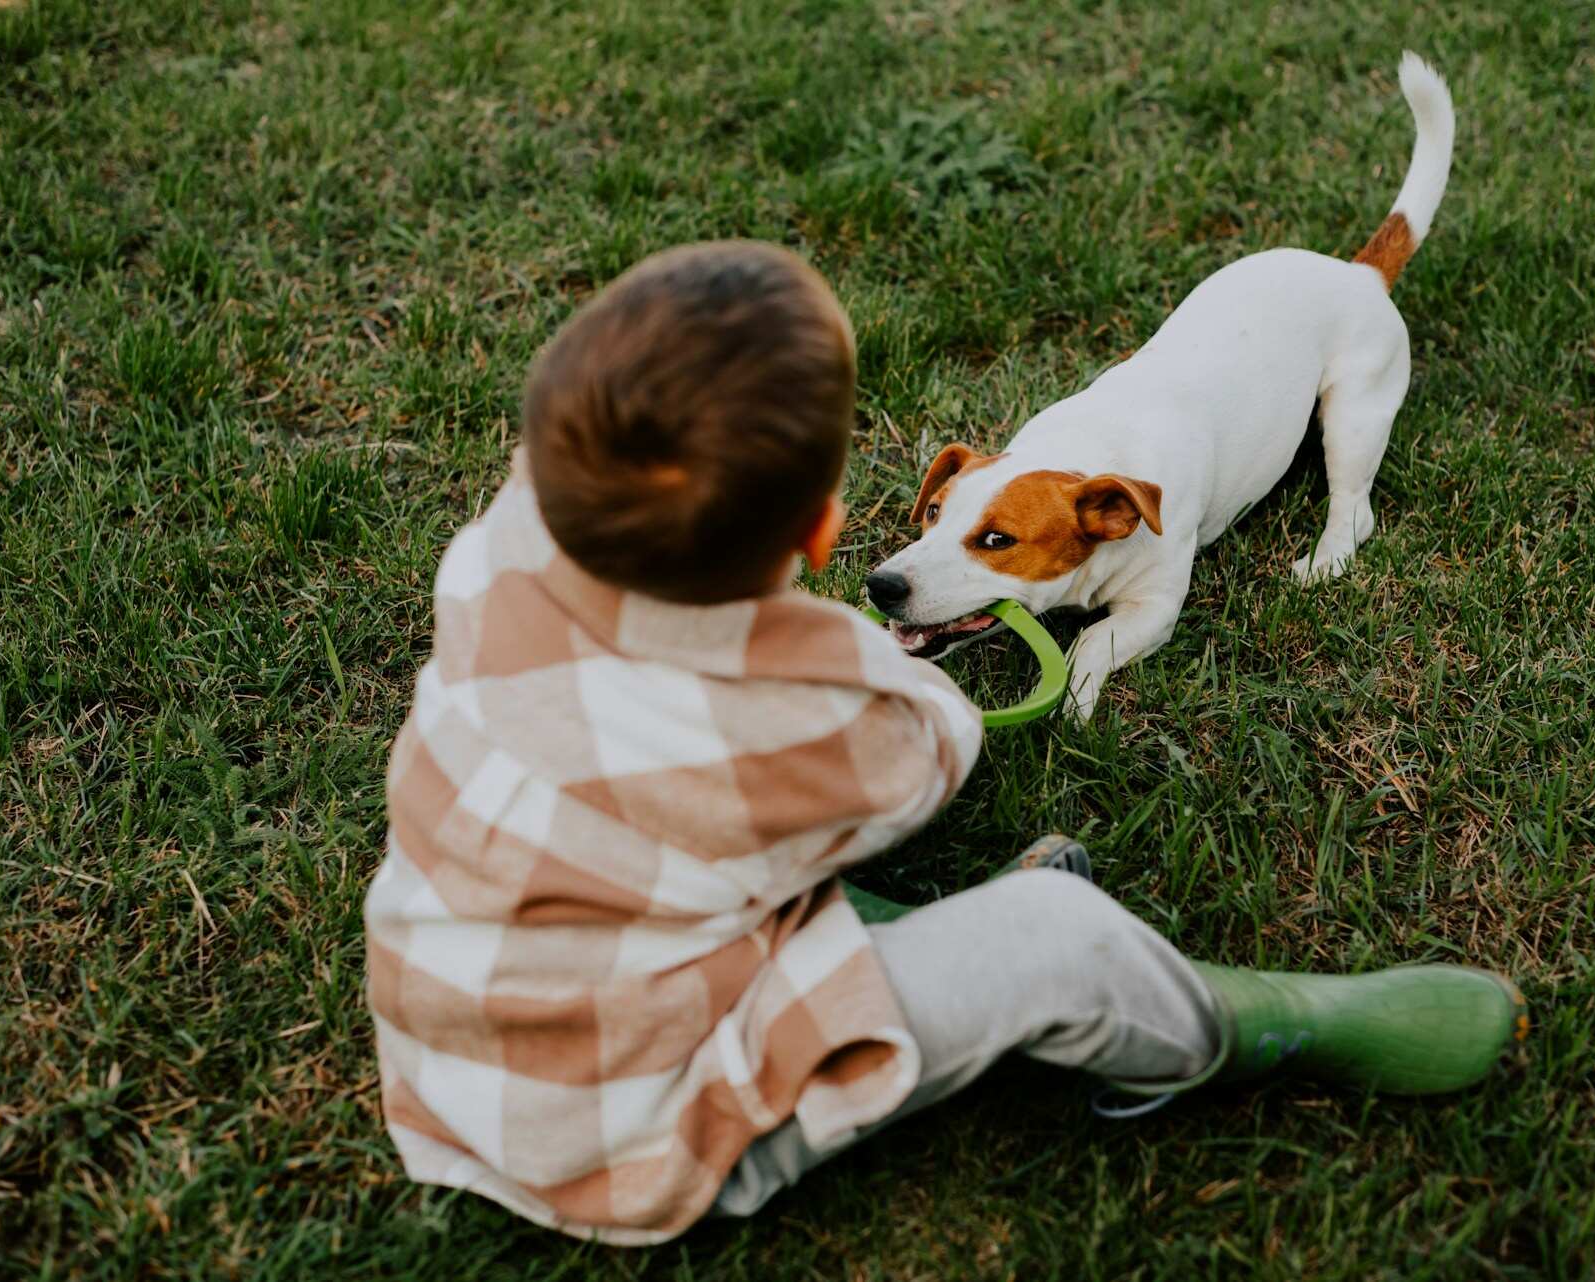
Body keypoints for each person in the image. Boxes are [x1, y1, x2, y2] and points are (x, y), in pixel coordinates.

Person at [362, 241, 1527, 1246]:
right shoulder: (789, 716)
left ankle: (840, 945)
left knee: (682, 864)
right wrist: (846, 656)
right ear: (823, 528)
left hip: (436, 1054)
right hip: (640, 1140)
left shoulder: (483, 569)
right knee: (1053, 935)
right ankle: (1247, 1023)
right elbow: (933, 749)